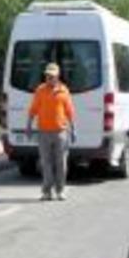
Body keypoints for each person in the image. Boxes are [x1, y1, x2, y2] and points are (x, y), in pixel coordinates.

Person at [26, 62, 76, 201]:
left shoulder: (64, 91)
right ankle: (46, 191)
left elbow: (70, 111)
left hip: (61, 132)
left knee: (61, 163)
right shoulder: (40, 90)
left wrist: (73, 129)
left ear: (57, 76)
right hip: (43, 132)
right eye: (47, 75)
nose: (49, 78)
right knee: (45, 163)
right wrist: (28, 126)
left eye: (52, 76)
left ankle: (60, 190)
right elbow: (33, 109)